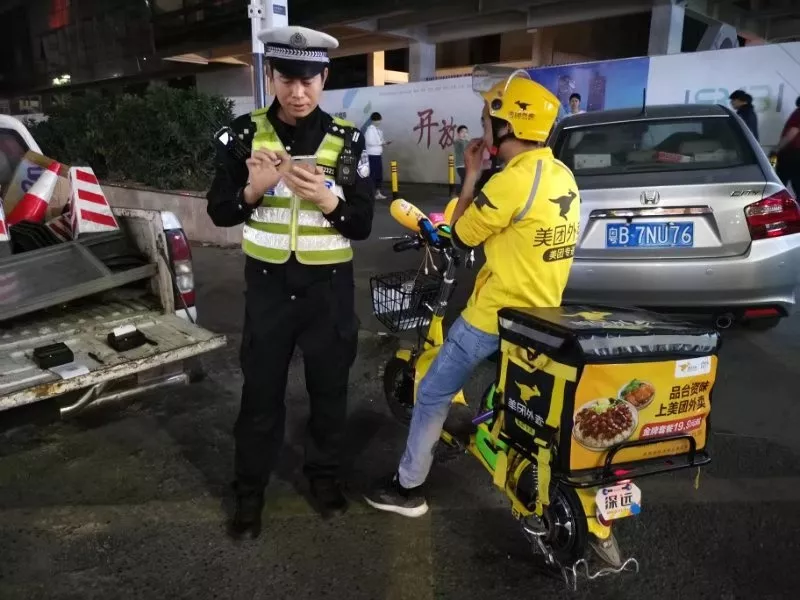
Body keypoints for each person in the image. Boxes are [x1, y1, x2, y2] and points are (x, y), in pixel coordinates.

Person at [364, 69, 580, 516]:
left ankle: (406, 488)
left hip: (494, 315)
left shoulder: (510, 182)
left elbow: (460, 235)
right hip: (544, 316)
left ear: (508, 126)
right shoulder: (561, 175)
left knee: (431, 393)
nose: (482, 128)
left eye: (486, 120)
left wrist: (472, 175)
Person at [206, 25, 375, 539]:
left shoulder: (349, 140)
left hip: (328, 290)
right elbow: (219, 212)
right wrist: (252, 191)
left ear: (324, 78)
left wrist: (327, 199)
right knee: (260, 396)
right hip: (269, 288)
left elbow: (362, 224)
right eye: (287, 79)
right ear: (271, 77)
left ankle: (324, 478)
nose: (298, 92)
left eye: (308, 80)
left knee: (329, 392)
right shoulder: (242, 135)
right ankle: (249, 493)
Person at [773, 96, 800, 196]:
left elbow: (793, 132)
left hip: (791, 154)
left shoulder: (798, 113)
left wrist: (777, 149)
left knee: (779, 183)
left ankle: (777, 202)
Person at [365, 112, 390, 200]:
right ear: (374, 120)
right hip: (372, 155)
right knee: (373, 174)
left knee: (378, 174)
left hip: (377, 155)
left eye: (379, 120)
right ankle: (371, 193)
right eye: (378, 120)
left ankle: (377, 192)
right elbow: (370, 142)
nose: (379, 122)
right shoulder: (370, 130)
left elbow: (379, 141)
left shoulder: (378, 130)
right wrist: (381, 143)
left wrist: (384, 143)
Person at [453, 125, 469, 190]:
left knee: (465, 180)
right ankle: (459, 192)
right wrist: (464, 140)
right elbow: (463, 150)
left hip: (467, 165)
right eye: (462, 132)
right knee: (464, 179)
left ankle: (460, 192)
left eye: (466, 132)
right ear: (458, 133)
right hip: (460, 165)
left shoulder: (467, 142)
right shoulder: (457, 142)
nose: (464, 134)